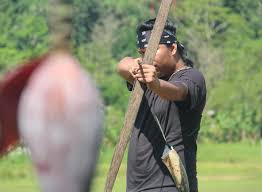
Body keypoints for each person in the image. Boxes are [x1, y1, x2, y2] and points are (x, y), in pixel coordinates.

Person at [117, 18, 206, 192]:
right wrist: (133, 66)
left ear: (173, 48)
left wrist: (156, 84)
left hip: (169, 185)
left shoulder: (192, 77)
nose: (146, 58)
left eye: (152, 51)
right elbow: (121, 65)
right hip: (137, 187)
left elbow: (177, 91)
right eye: (142, 53)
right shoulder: (143, 77)